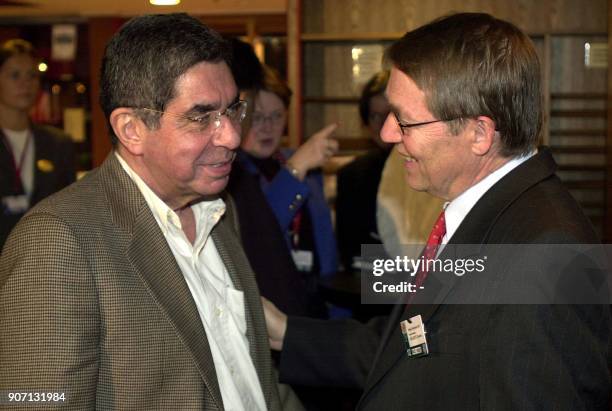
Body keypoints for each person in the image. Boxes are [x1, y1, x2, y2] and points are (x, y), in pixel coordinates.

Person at [263, 12, 610, 410]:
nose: (387, 134)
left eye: (405, 121)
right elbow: (418, 343)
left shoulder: (543, 253)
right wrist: (286, 332)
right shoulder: (492, 211)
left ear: (479, 133)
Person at [0, 14, 281, 410]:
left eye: (233, 109)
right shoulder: (58, 241)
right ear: (131, 129)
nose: (233, 135)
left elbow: (250, 376)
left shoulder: (219, 209)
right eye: (201, 117)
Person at [233, 64, 340, 317]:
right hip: (270, 304)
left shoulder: (297, 161)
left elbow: (326, 244)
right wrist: (297, 167)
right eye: (257, 117)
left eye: (277, 116)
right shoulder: (232, 172)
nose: (268, 127)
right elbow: (261, 233)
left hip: (317, 298)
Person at [0, 39, 75, 250]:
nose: (25, 83)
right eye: (15, 75)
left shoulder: (58, 144)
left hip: (45, 260)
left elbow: (69, 210)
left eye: (32, 75)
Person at [335, 70, 391, 271]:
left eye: (391, 114)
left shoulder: (429, 169)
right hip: (367, 287)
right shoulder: (351, 175)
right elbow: (350, 251)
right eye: (375, 116)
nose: (384, 124)